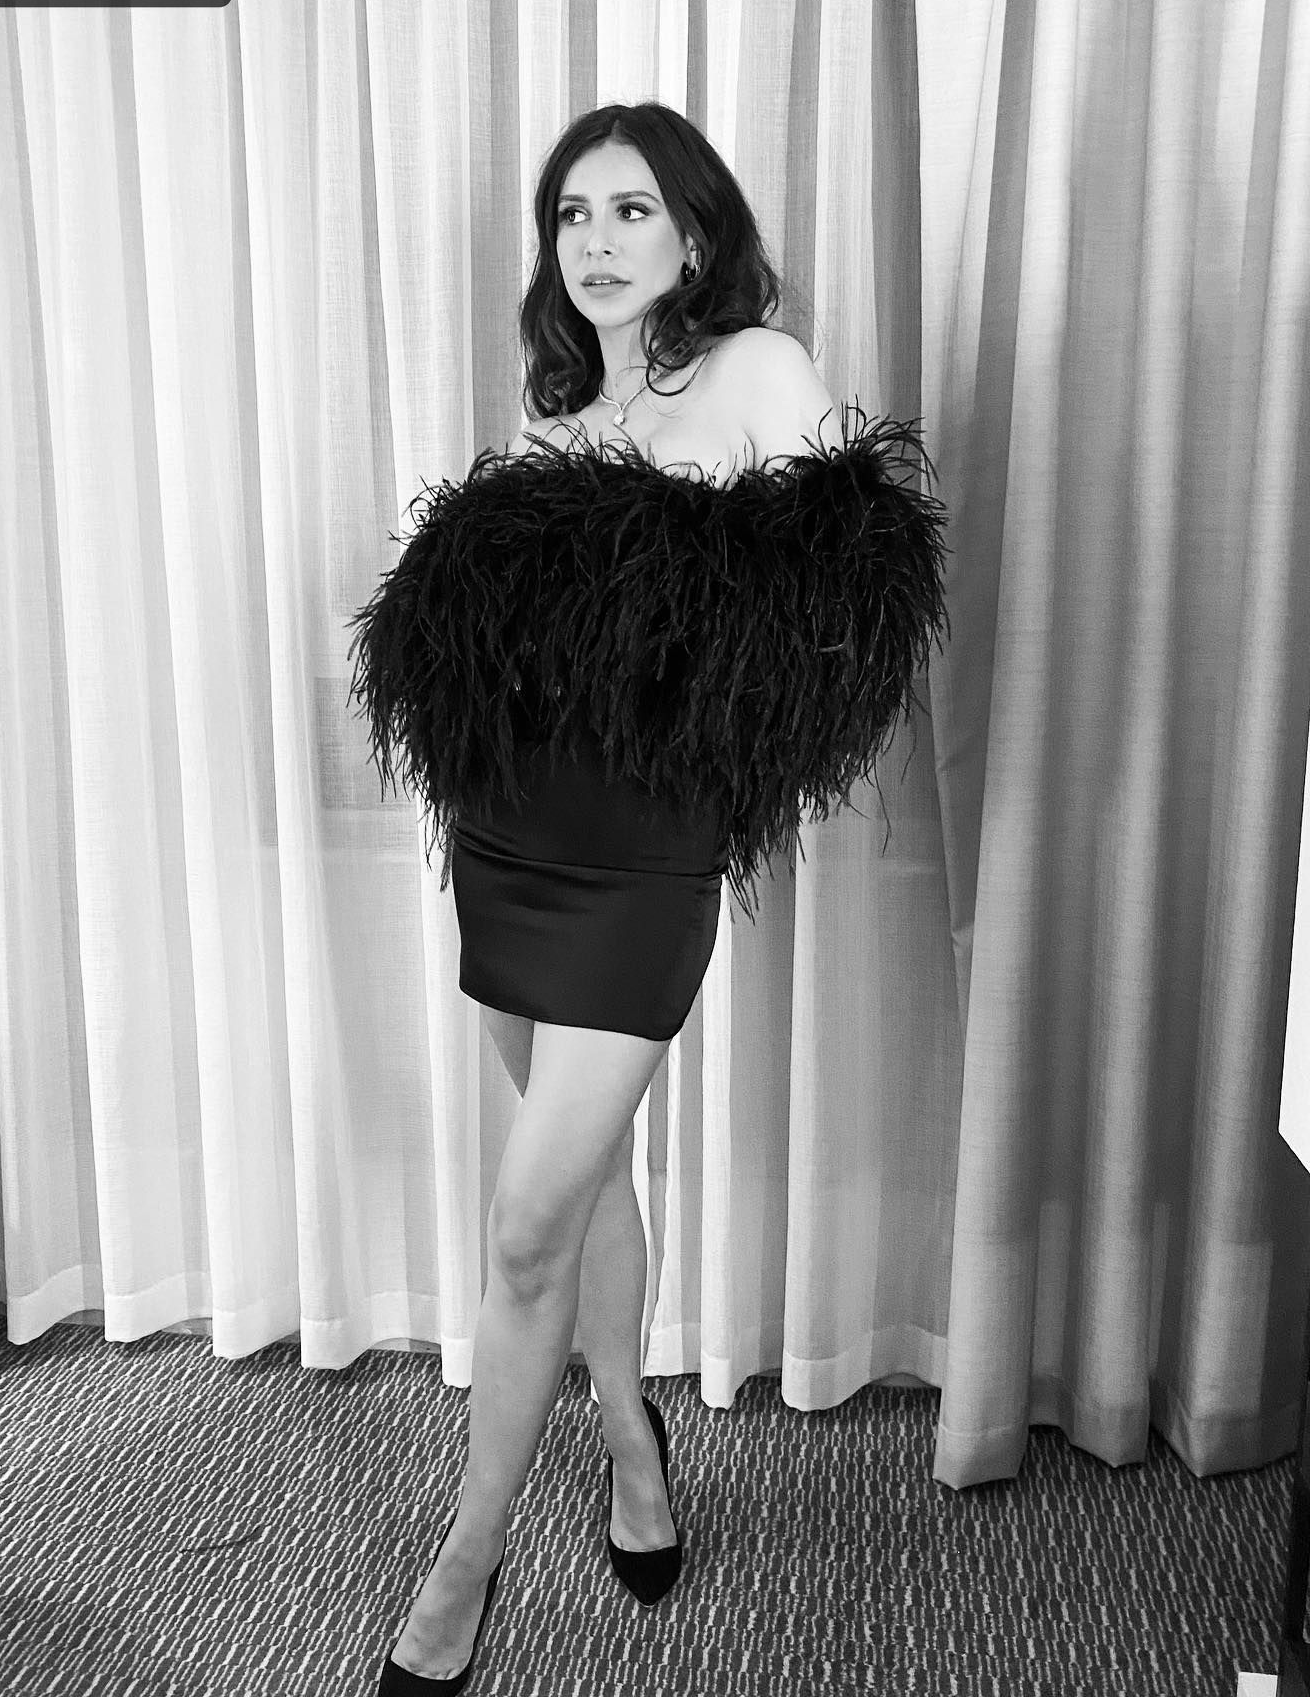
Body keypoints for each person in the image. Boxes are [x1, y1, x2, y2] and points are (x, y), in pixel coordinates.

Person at [349, 100, 948, 1693]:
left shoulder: (754, 371)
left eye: (629, 211)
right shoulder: (551, 428)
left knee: (522, 1227)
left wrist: (704, 724)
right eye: (571, 214)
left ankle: (464, 1563)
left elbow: (847, 593)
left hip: (643, 863)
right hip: (510, 847)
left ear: (693, 235)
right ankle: (629, 1438)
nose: (596, 242)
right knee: (587, 1179)